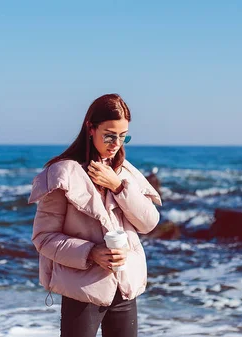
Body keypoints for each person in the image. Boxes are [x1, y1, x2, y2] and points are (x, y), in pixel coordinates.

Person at [28, 93, 162, 337]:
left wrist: (119, 186)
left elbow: (149, 223)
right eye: (109, 135)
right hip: (82, 289)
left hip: (124, 285)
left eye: (123, 137)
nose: (116, 144)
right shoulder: (61, 174)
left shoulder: (125, 172)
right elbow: (43, 238)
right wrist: (91, 253)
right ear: (90, 128)